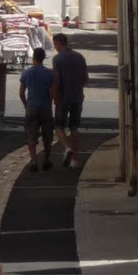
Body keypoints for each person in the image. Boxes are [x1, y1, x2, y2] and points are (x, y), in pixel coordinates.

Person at [50, 33, 89, 169]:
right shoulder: (80, 57)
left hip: (63, 97)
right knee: (74, 127)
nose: (54, 47)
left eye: (54, 44)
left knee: (59, 126)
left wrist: (55, 98)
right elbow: (85, 78)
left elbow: (56, 81)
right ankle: (74, 160)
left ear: (58, 43)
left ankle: (67, 148)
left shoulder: (57, 59)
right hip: (77, 97)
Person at [18, 48, 55, 172]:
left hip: (31, 107)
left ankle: (33, 161)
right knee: (47, 136)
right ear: (43, 58)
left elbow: (21, 92)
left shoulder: (27, 73)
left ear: (33, 57)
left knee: (31, 136)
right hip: (45, 107)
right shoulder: (50, 73)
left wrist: (26, 104)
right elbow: (54, 92)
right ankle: (47, 160)